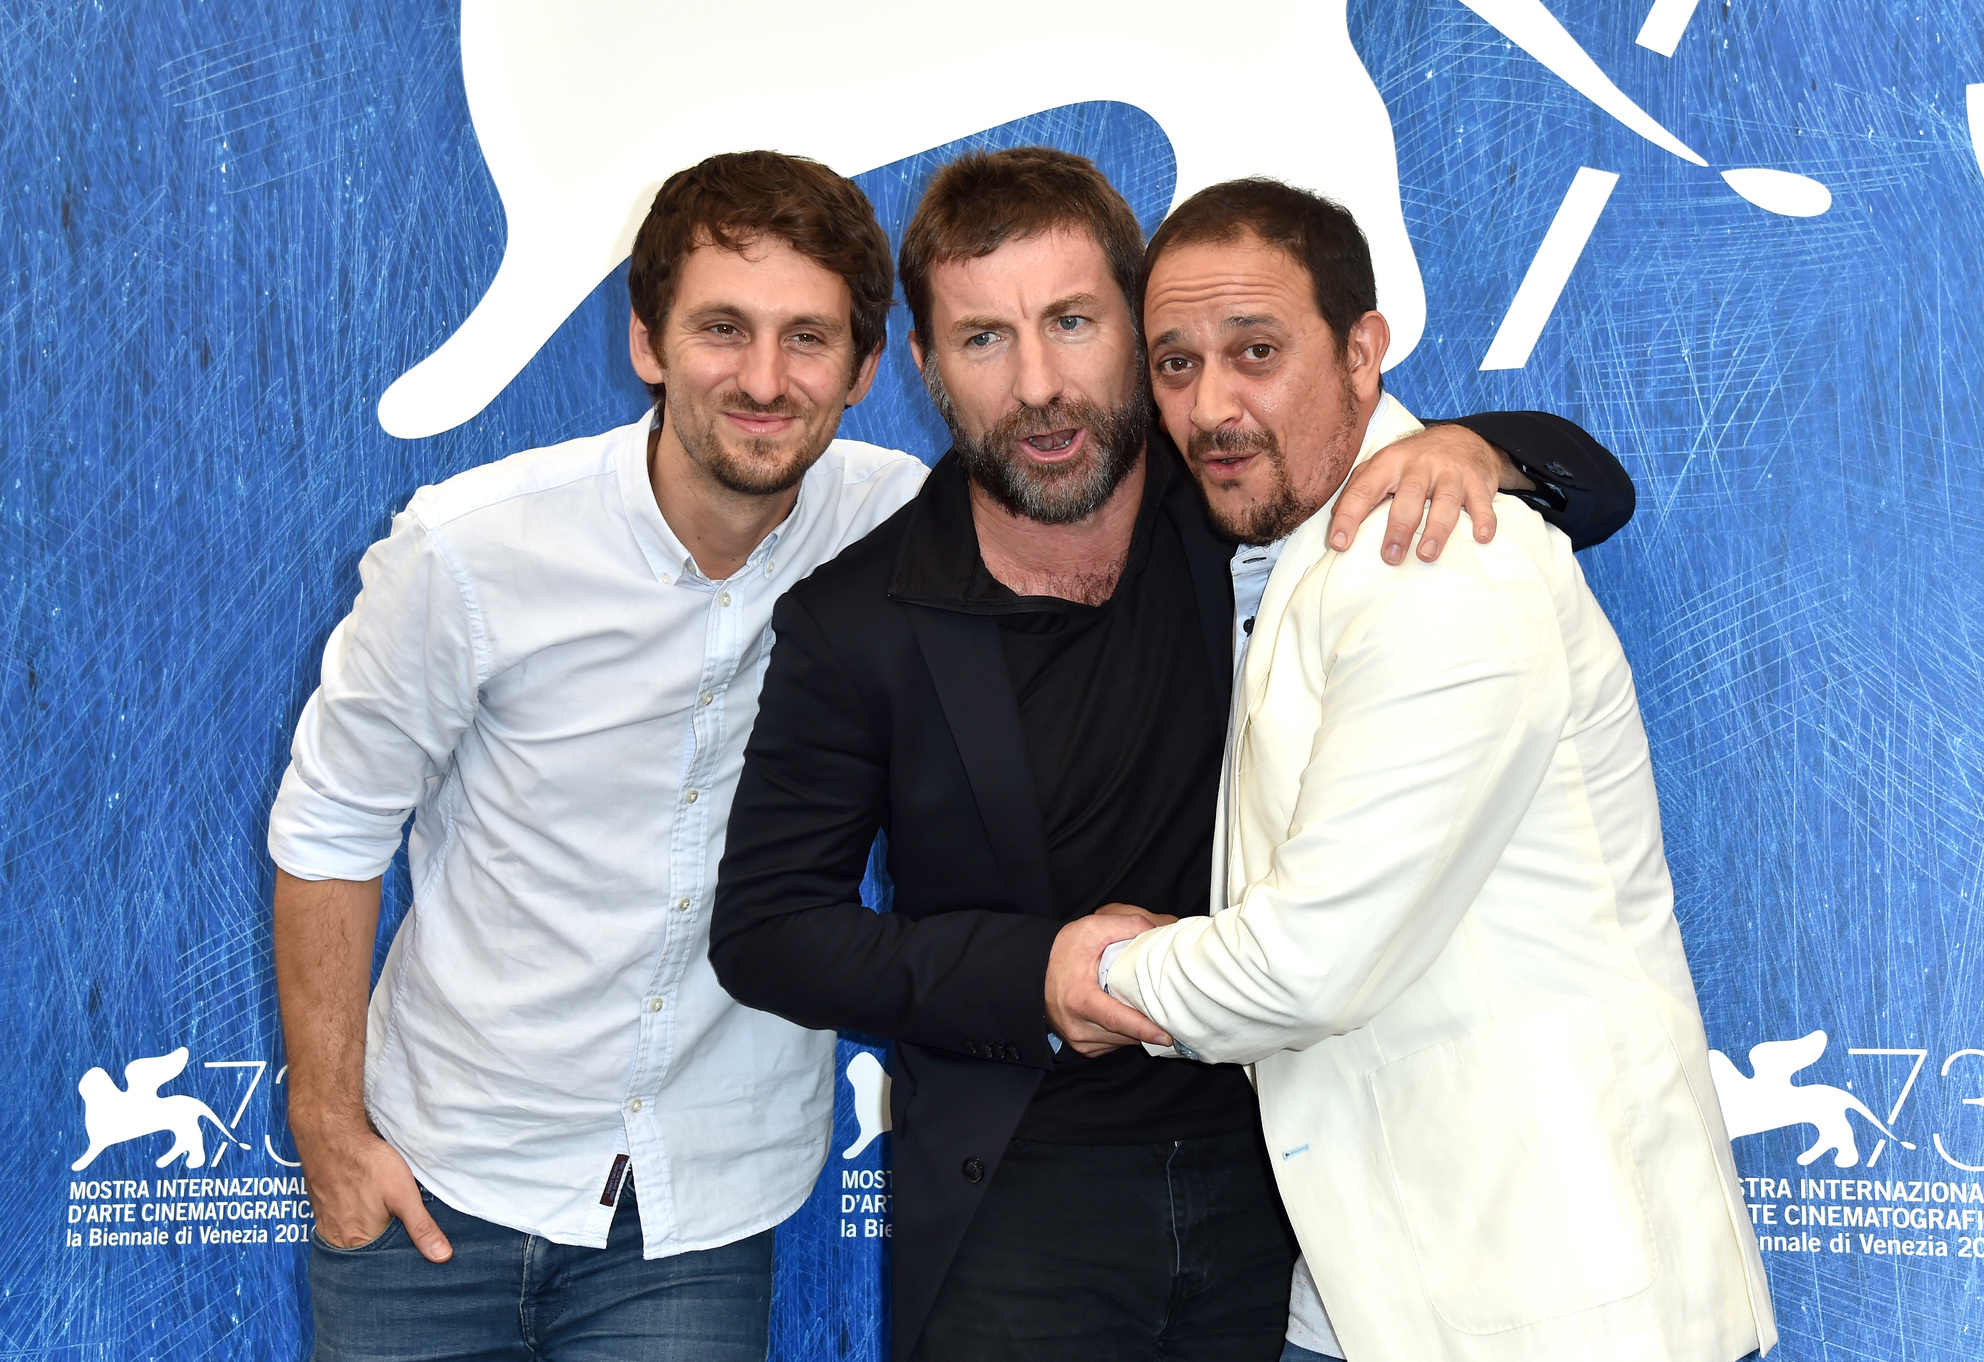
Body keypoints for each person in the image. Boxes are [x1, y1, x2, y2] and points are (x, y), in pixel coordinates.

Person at [266, 148, 1531, 1361]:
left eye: (807, 338)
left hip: (1188, 1178)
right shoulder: (513, 555)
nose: (764, 380)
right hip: (487, 1175)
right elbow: (344, 825)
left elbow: (1336, 440)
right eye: (984, 338)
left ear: (866, 367)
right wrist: (328, 1123)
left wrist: (1491, 453)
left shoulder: (1166, 509)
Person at [709, 147, 1639, 1362]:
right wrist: (1030, 973)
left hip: (1290, 1172)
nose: (1039, 385)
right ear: (927, 368)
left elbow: (1591, 488)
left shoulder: (1241, 504)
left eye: (1074, 322)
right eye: (984, 340)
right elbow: (768, 929)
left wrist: (1478, 449)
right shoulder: (855, 621)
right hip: (1019, 1193)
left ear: (1139, 335)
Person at [1084, 179, 1777, 1362]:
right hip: (1374, 1285)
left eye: (1255, 351)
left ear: (1362, 353)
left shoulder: (1435, 555)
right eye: (1175, 364)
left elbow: (1307, 965)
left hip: (1547, 1301)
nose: (1211, 406)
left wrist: (1093, 971)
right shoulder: (1295, 539)